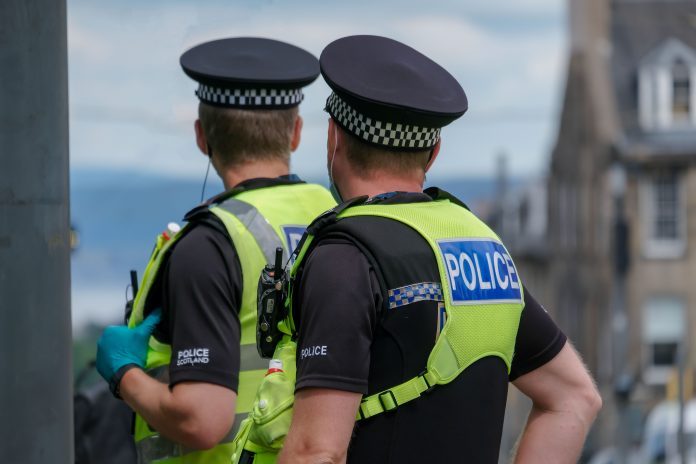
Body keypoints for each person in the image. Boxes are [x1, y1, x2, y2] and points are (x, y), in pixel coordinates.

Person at [274, 35, 602, 463]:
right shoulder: (486, 249)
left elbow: (315, 452)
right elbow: (575, 398)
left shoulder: (345, 257)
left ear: (334, 138)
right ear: (433, 152)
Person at [95, 37, 335, 463]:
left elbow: (200, 421)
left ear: (202, 136)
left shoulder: (209, 245)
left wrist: (124, 375)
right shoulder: (335, 217)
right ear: (296, 133)